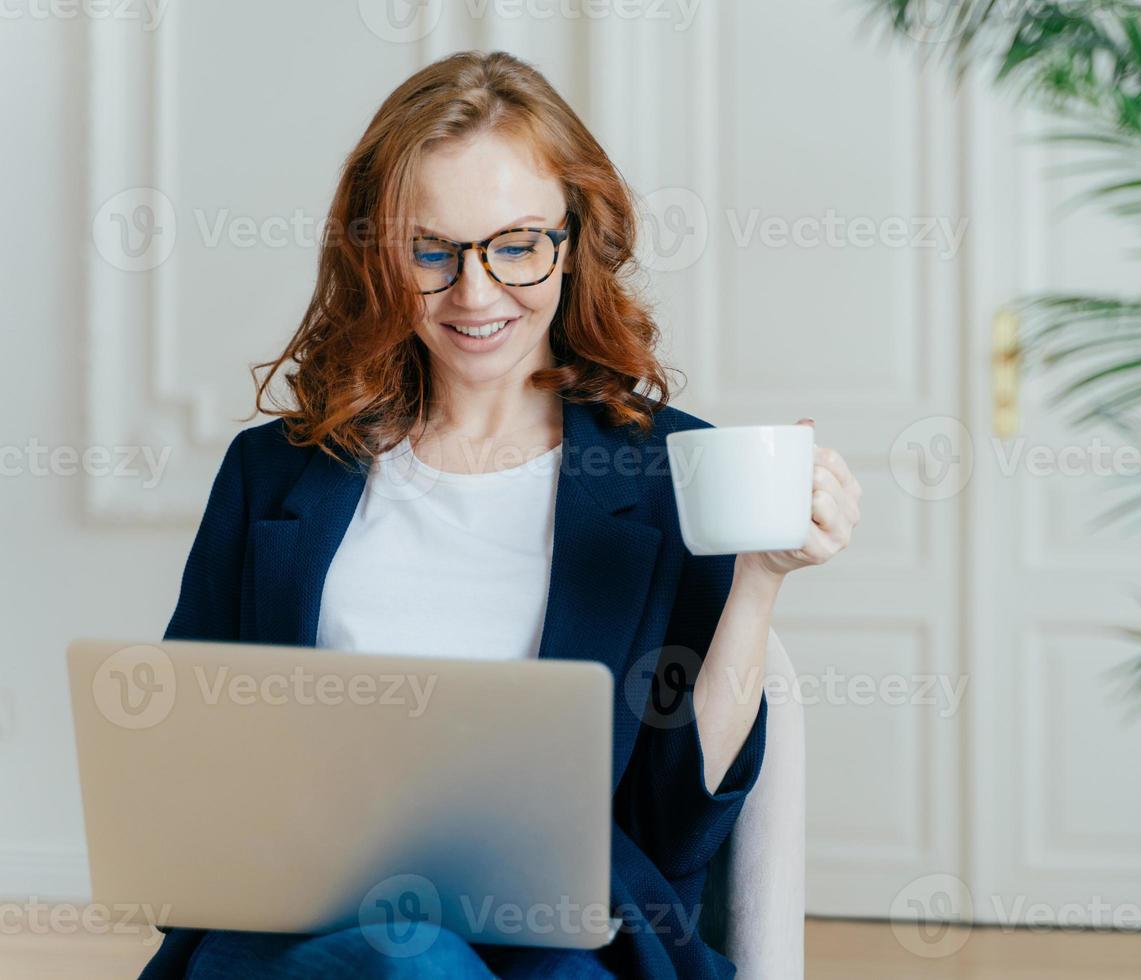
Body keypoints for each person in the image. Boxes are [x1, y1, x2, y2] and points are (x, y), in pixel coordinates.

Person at [138, 50, 861, 980]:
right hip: (309, 935)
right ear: (377, 255)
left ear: (575, 237)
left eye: (517, 245)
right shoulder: (271, 476)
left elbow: (674, 829)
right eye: (429, 251)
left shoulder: (670, 473)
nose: (474, 295)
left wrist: (758, 583)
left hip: (561, 942)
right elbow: (190, 771)